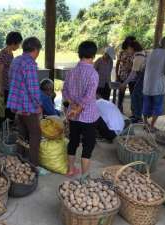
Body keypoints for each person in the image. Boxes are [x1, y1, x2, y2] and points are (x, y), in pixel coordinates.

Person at [7, 37, 46, 172]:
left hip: (17, 105)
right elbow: (33, 88)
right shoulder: (30, 64)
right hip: (28, 106)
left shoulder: (16, 60)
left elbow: (11, 79)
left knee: (22, 132)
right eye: (38, 51)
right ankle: (33, 165)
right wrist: (39, 104)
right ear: (35, 50)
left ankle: (20, 158)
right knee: (35, 133)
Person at [62, 41, 99, 179]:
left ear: (80, 54)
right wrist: (78, 108)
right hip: (88, 117)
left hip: (73, 116)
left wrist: (73, 105)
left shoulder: (71, 71)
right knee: (88, 146)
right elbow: (89, 97)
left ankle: (70, 170)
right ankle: (85, 178)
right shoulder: (93, 74)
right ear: (93, 55)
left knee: (73, 141)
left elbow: (65, 91)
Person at [143, 37, 165, 131]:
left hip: (147, 84)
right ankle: (151, 126)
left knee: (146, 106)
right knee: (157, 107)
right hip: (158, 85)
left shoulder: (151, 52)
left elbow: (145, 67)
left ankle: (145, 124)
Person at [0, 32, 23, 121]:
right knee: (7, 109)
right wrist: (0, 87)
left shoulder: (10, 53)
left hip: (10, 85)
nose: (19, 46)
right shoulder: (3, 53)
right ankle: (7, 128)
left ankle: (10, 126)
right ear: (14, 42)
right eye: (18, 43)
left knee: (11, 108)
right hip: (5, 86)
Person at [120, 41, 146, 123]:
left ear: (132, 48)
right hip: (143, 77)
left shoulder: (138, 57)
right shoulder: (140, 54)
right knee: (137, 96)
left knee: (136, 96)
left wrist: (124, 84)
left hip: (143, 77)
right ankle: (136, 115)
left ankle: (137, 117)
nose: (128, 51)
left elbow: (133, 74)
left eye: (128, 49)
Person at [115, 36, 136, 112]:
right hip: (122, 76)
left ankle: (133, 111)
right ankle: (119, 110)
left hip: (132, 77)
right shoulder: (121, 52)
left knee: (133, 94)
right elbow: (117, 63)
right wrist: (117, 75)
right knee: (121, 94)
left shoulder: (135, 52)